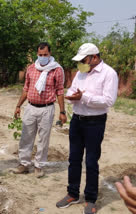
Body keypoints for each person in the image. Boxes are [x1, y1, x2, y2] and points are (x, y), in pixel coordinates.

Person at [56, 43, 119, 214]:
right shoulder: (81, 73)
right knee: (74, 159)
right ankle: (72, 193)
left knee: (91, 161)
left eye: (84, 60)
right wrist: (72, 97)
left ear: (95, 57)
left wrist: (84, 97)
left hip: (95, 123)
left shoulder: (109, 74)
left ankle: (90, 199)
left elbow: (108, 101)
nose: (82, 63)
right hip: (77, 120)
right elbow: (73, 90)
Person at [13, 42, 66, 178]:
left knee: (43, 139)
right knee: (26, 137)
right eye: (40, 55)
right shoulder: (31, 68)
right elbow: (26, 88)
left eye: (45, 55)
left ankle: (39, 166)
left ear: (50, 54)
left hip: (47, 109)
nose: (42, 57)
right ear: (37, 54)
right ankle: (24, 164)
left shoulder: (57, 70)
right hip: (31, 107)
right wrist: (18, 105)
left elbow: (60, 91)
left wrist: (62, 111)